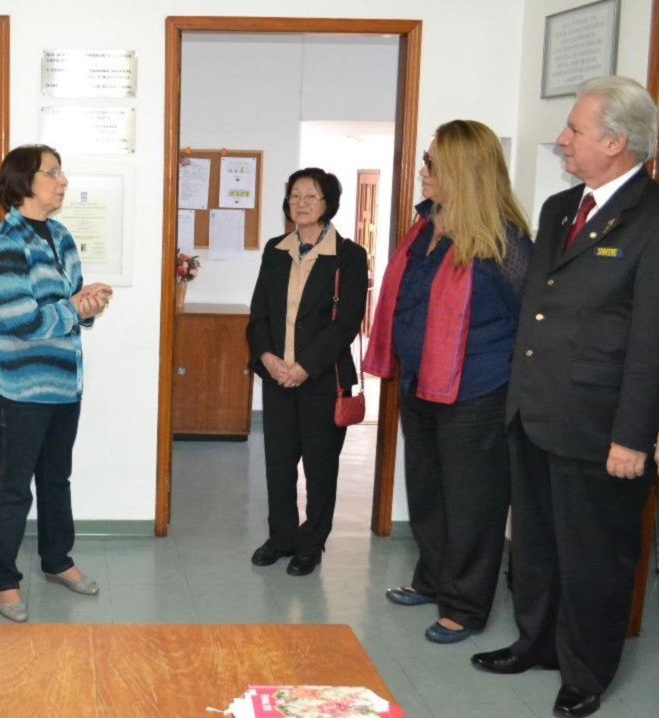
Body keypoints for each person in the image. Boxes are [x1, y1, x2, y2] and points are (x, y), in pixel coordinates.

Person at [471, 76, 659, 718]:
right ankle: (536, 644)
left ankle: (585, 672)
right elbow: (539, 309)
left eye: (575, 130)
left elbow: (651, 341)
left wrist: (633, 436)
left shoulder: (652, 217)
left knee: (594, 559)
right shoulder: (558, 209)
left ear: (615, 141)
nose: (562, 139)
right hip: (534, 412)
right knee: (537, 546)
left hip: (600, 425)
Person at [364, 120, 532, 644]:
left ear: (462, 170)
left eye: (432, 164)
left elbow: (533, 321)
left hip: (476, 392)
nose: (423, 171)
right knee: (429, 491)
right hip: (421, 384)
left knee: (472, 502)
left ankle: (466, 605)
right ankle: (433, 580)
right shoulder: (427, 227)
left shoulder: (504, 242)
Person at [0, 144, 113, 622]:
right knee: (14, 488)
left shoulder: (61, 235)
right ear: (23, 182)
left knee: (56, 479)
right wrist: (73, 308)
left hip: (64, 383)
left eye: (60, 172)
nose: (62, 180)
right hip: (16, 389)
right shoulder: (3, 244)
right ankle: (4, 580)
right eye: (52, 173)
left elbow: (67, 308)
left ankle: (57, 561)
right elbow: (21, 322)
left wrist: (87, 305)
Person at [246, 168, 367, 577]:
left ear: (328, 203)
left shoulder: (349, 256)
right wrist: (267, 357)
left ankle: (311, 544)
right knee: (278, 464)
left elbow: (346, 324)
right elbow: (259, 314)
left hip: (323, 380)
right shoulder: (275, 250)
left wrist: (305, 367)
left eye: (311, 196)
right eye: (295, 195)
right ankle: (281, 537)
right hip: (277, 377)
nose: (301, 203)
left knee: (320, 466)